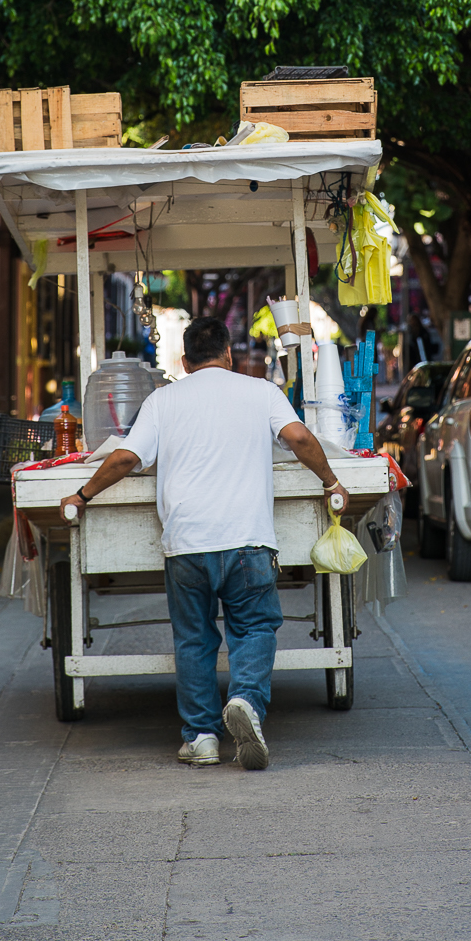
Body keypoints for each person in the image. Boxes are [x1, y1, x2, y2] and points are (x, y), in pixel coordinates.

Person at [64, 316, 349, 770]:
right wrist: (333, 481)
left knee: (194, 639)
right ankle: (246, 703)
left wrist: (80, 496)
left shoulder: (163, 399)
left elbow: (125, 458)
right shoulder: (261, 393)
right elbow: (297, 437)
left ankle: (201, 738)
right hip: (249, 542)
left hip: (187, 544)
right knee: (254, 627)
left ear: (184, 361)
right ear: (229, 354)